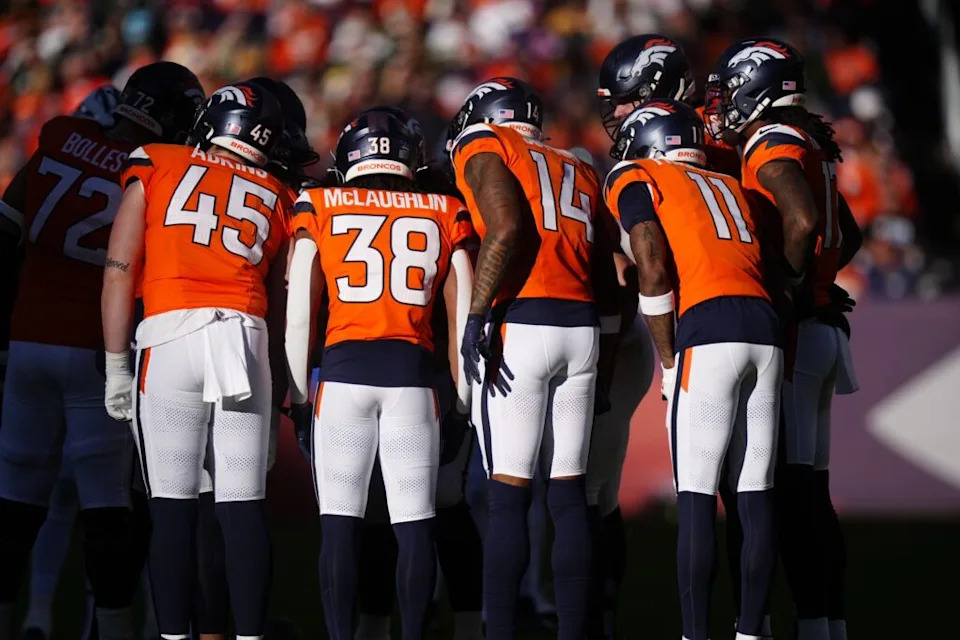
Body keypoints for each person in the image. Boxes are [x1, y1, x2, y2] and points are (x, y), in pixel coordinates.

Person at [0, 62, 204, 640]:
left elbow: (5, 233)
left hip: (29, 339)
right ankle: (111, 630)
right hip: (97, 349)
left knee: (15, 499)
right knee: (107, 508)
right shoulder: (159, 172)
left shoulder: (61, 139)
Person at [101, 80, 293, 640]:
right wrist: (278, 383)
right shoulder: (278, 192)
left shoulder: (159, 160)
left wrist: (116, 362)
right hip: (245, 337)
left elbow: (119, 269)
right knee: (243, 506)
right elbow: (281, 310)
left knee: (173, 509)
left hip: (169, 335)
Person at [285, 108, 473, 640]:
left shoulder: (319, 202)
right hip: (413, 379)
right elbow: (463, 317)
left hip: (343, 375)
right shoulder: (442, 207)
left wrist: (299, 396)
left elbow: (301, 307)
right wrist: (461, 399)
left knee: (340, 524)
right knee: (415, 524)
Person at [604, 100, 782, 640]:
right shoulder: (729, 183)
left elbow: (652, 264)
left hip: (708, 325)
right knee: (754, 493)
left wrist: (667, 354)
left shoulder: (638, 173)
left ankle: (696, 634)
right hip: (765, 324)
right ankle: (753, 632)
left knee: (699, 496)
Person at [448, 77, 618, 640]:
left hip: (523, 321)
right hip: (583, 327)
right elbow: (606, 274)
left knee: (507, 497)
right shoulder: (579, 164)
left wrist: (476, 317)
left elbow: (507, 228)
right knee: (568, 494)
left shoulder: (486, 144)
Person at [706, 38, 862, 640]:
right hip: (823, 330)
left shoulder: (770, 142)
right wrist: (821, 279)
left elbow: (802, 222)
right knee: (811, 498)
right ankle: (826, 627)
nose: (721, 102)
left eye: (728, 88)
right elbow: (846, 233)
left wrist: (789, 285)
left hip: (798, 334)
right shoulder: (810, 142)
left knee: (778, 497)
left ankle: (771, 626)